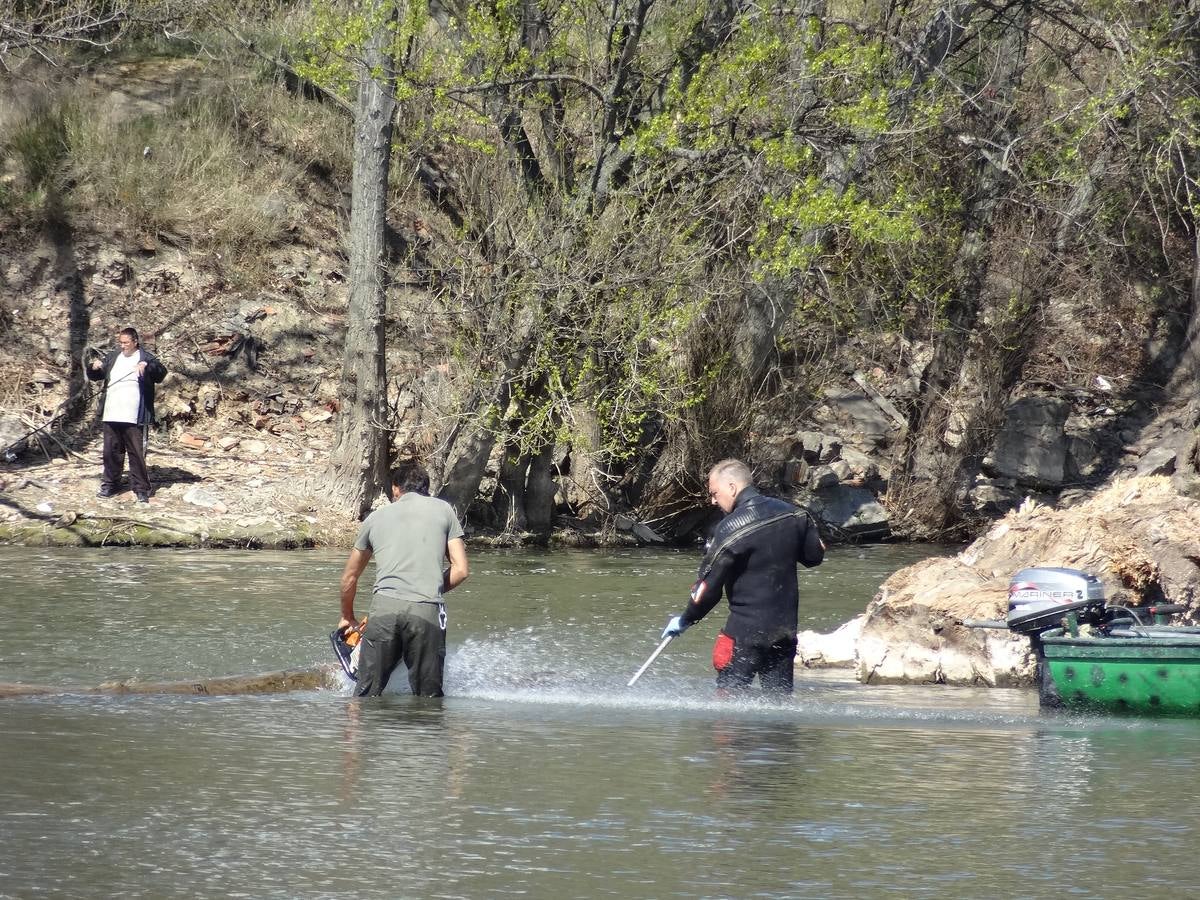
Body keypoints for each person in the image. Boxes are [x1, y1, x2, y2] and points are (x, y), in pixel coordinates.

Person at [662, 458, 825, 694]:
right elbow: (814, 556)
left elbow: (707, 590)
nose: (712, 500)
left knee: (727, 706)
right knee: (778, 707)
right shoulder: (795, 515)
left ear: (731, 487)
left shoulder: (729, 529)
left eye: (714, 493)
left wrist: (687, 618)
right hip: (784, 632)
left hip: (743, 635)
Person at [338, 462, 470, 697]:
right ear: (426, 488)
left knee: (365, 695)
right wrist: (432, 588)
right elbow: (460, 570)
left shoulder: (375, 518)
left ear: (396, 489)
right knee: (429, 698)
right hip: (426, 611)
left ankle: (356, 732)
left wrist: (348, 617)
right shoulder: (444, 511)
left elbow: (349, 577)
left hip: (384, 610)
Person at [87, 327, 167, 503]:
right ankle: (110, 485)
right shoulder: (113, 356)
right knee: (111, 452)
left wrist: (146, 366)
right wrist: (93, 368)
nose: (122, 346)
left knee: (136, 453)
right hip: (112, 412)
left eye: (126, 343)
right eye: (121, 342)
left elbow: (161, 373)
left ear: (135, 342)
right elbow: (96, 376)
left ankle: (141, 489)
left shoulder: (145, 357)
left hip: (134, 415)